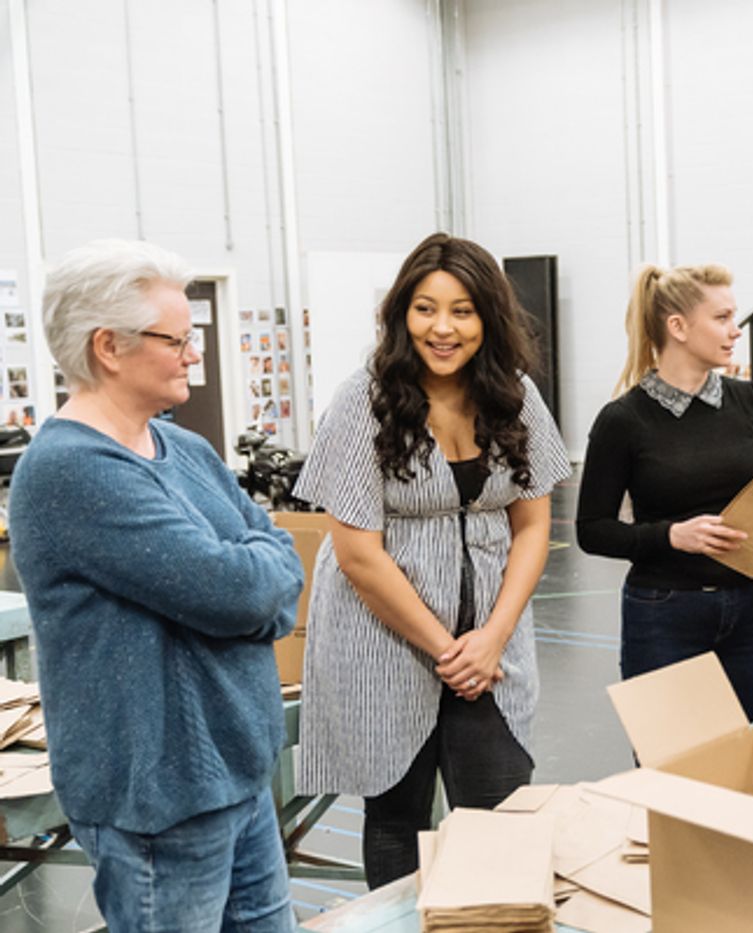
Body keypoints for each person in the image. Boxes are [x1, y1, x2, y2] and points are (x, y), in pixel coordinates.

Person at [8, 239, 304, 931]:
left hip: (235, 773)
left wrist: (254, 576)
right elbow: (241, 592)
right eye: (178, 338)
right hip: (160, 801)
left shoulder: (187, 450)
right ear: (108, 346)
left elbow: (280, 564)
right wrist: (254, 576)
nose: (195, 352)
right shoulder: (72, 472)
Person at [293, 233, 569, 889]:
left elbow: (533, 524)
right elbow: (359, 554)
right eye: (425, 308)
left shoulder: (516, 395)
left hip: (491, 650)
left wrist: (491, 637)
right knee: (397, 822)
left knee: (500, 813)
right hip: (387, 641)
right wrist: (450, 649)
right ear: (400, 314)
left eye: (463, 310)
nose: (442, 327)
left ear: (488, 318)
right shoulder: (361, 400)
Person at [576, 264, 753, 720]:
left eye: (734, 317)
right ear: (678, 327)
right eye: (722, 318)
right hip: (664, 614)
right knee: (666, 763)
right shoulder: (623, 421)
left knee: (752, 754)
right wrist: (671, 536)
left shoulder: (751, 402)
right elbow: (593, 530)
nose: (735, 331)